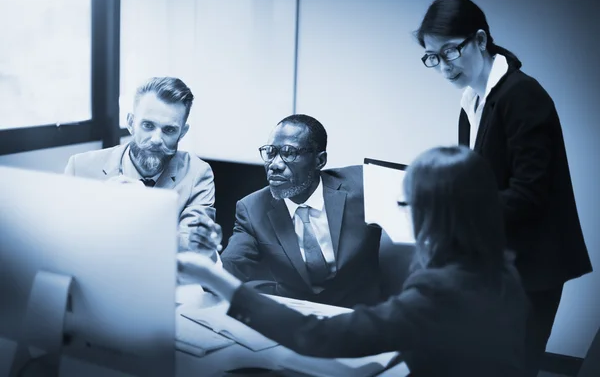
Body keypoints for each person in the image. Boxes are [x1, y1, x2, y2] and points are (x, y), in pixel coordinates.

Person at [179, 145, 530, 377]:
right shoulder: (501, 270)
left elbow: (316, 337)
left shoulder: (443, 289)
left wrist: (213, 277)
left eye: (407, 205)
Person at [415, 0, 593, 376]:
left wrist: (454, 215)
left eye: (450, 52)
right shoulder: (472, 100)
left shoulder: (521, 95)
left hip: (532, 266)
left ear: (480, 40)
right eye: (433, 57)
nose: (443, 67)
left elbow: (529, 194)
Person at [219, 114, 382, 307]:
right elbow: (228, 271)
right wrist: (206, 254)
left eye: (289, 153)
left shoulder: (364, 185)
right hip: (295, 318)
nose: (275, 165)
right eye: (270, 152)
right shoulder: (252, 208)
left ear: (319, 161)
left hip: (359, 315)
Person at [65, 76, 221, 260]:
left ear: (182, 132)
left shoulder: (197, 174)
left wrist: (148, 205)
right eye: (147, 125)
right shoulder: (80, 167)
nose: (156, 139)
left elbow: (194, 248)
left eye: (169, 130)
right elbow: (64, 237)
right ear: (131, 123)